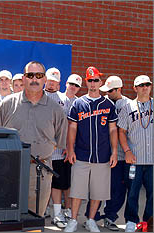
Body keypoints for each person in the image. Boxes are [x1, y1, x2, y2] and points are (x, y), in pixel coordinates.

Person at [0, 61, 68, 217]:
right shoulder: (7, 105)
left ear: (44, 79)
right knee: (7, 217)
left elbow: (59, 141)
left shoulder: (56, 109)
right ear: (23, 78)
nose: (34, 79)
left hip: (40, 171)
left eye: (39, 75)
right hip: (8, 170)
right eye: (30, 75)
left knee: (34, 220)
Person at [64, 66, 118, 232]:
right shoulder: (78, 103)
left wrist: (115, 151)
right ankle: (73, 220)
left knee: (97, 192)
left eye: (96, 80)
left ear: (100, 82)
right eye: (90, 80)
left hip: (102, 155)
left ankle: (91, 219)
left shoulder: (108, 104)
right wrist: (70, 149)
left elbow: (113, 129)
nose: (93, 83)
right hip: (81, 154)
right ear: (86, 82)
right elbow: (72, 127)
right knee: (77, 191)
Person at [83, 75, 130, 231]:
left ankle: (110, 217)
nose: (107, 93)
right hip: (102, 153)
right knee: (97, 186)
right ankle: (92, 216)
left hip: (121, 156)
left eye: (110, 91)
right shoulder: (104, 102)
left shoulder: (129, 105)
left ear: (119, 89)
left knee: (118, 189)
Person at [45, 70, 82, 228]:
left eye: (55, 81)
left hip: (59, 150)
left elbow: (69, 125)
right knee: (41, 182)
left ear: (59, 84)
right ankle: (42, 211)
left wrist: (69, 145)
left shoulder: (63, 99)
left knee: (59, 183)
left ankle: (58, 213)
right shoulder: (37, 95)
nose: (51, 83)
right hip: (42, 148)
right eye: (50, 80)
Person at [117, 75, 153, 232]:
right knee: (132, 191)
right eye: (141, 85)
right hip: (134, 159)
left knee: (152, 193)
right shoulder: (128, 107)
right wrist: (127, 151)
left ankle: (148, 221)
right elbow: (121, 131)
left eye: (147, 84)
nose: (145, 87)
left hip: (152, 160)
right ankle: (131, 220)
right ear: (135, 88)